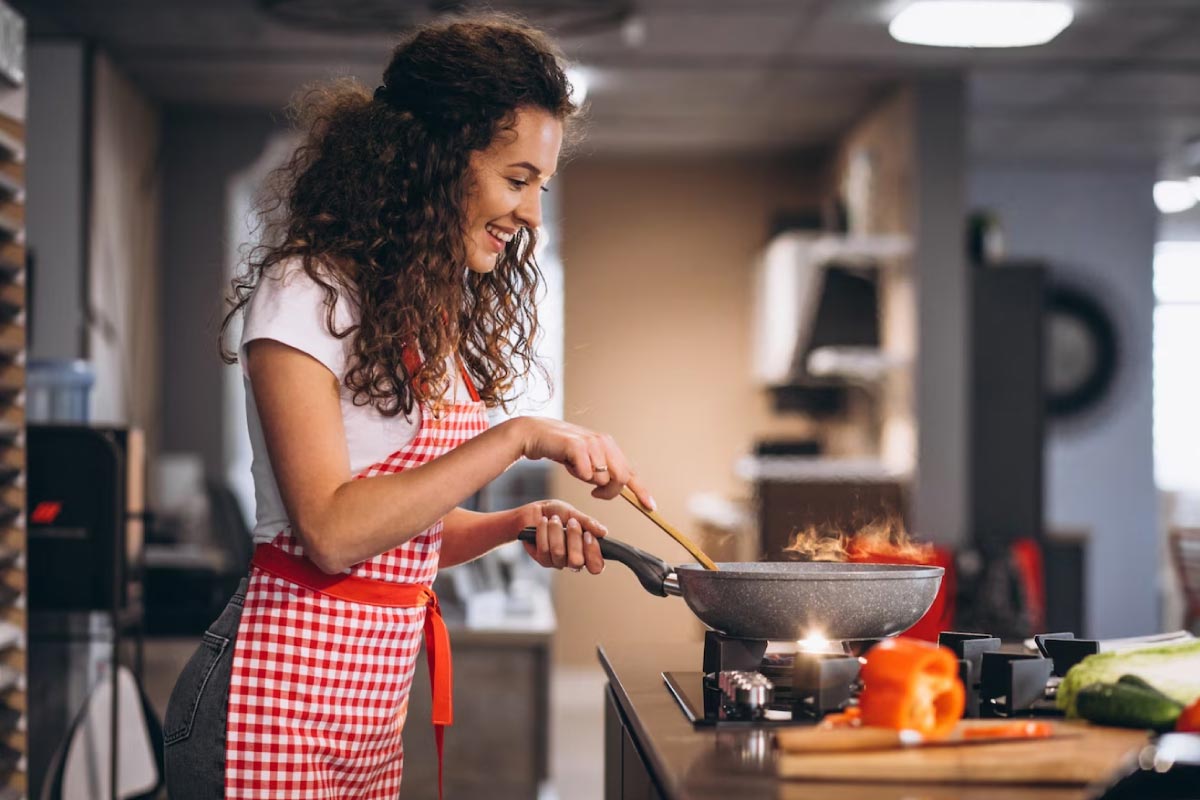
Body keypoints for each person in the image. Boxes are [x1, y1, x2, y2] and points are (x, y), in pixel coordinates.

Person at [163, 15, 653, 799]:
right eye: (516, 178)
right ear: (435, 161)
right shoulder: (306, 291)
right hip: (270, 702)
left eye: (541, 188)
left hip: (363, 717)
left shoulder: (419, 313)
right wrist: (520, 435)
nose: (530, 214)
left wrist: (512, 526)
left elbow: (401, 538)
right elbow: (331, 531)